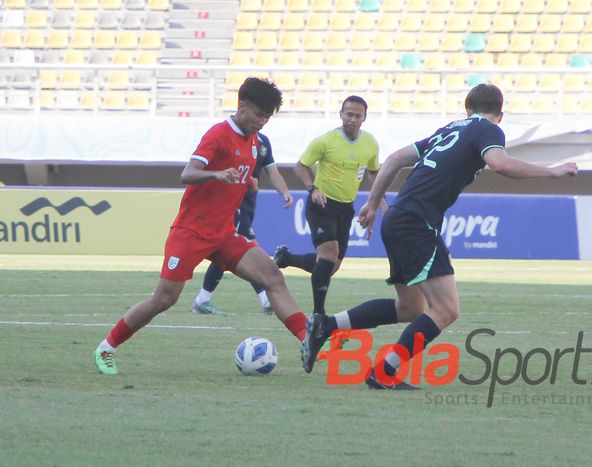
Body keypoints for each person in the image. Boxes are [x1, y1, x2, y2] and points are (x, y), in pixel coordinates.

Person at [300, 84, 579, 388]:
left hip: (398, 218)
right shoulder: (487, 129)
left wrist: (371, 202)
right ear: (500, 114)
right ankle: (384, 373)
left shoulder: (449, 130)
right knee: (446, 310)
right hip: (416, 223)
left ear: (467, 108)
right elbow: (499, 163)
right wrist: (551, 171)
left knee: (410, 308)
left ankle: (325, 325)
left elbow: (394, 159)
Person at [93, 77, 308, 375]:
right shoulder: (219, 134)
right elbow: (188, 173)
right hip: (191, 233)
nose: (263, 121)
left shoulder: (254, 141)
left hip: (223, 233)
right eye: (259, 114)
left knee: (272, 276)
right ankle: (106, 348)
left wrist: (248, 182)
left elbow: (241, 173)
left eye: (267, 117)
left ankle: (309, 341)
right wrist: (218, 175)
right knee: (164, 298)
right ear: (241, 105)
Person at [273, 95, 382, 318]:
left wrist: (378, 202)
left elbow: (374, 173)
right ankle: (318, 315)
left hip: (346, 207)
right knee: (329, 252)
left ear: (364, 118)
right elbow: (301, 166)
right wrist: (312, 189)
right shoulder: (326, 141)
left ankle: (287, 258)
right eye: (348, 114)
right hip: (321, 204)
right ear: (341, 114)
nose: (352, 119)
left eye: (357, 115)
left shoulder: (370, 143)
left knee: (331, 266)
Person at [191, 132, 293, 316]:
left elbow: (273, 171)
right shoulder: (229, 137)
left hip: (248, 203)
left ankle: (204, 299)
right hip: (230, 202)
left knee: (238, 250)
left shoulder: (263, 142)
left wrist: (284, 191)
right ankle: (264, 298)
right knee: (242, 247)